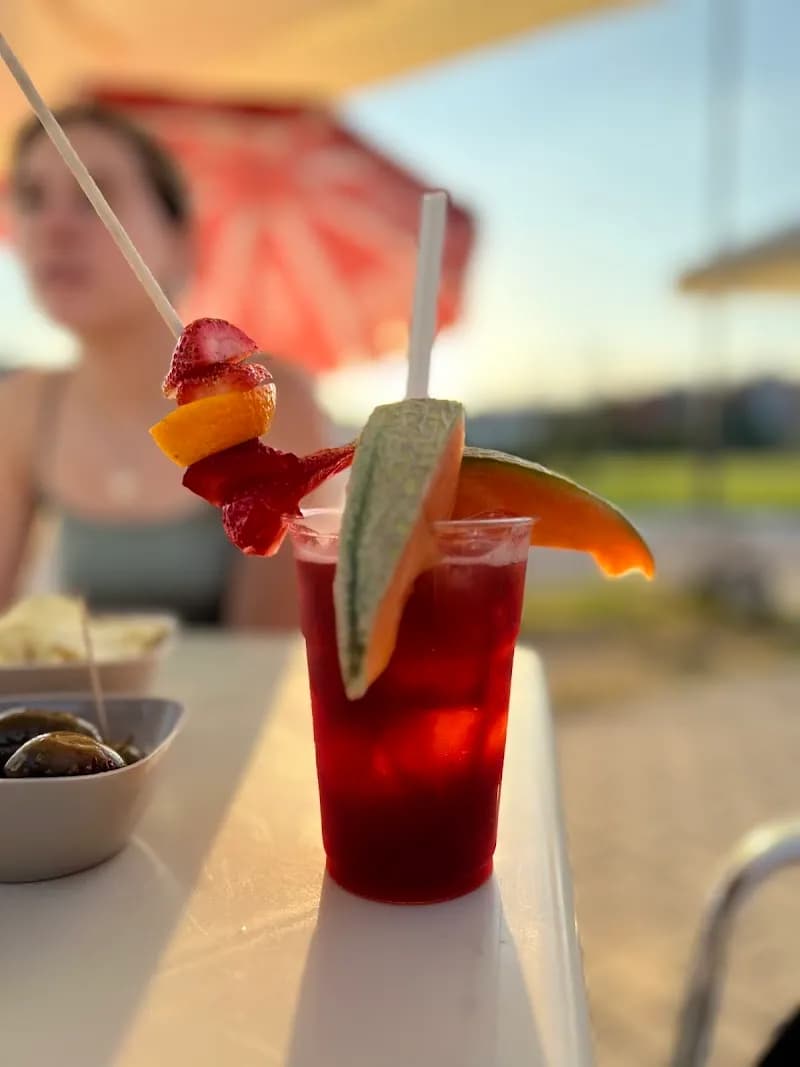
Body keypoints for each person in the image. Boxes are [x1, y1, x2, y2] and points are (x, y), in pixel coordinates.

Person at [0, 103, 337, 628]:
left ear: (179, 244)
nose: (52, 227)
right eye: (32, 198)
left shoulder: (269, 398)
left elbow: (272, 650)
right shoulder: (23, 408)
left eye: (95, 196)